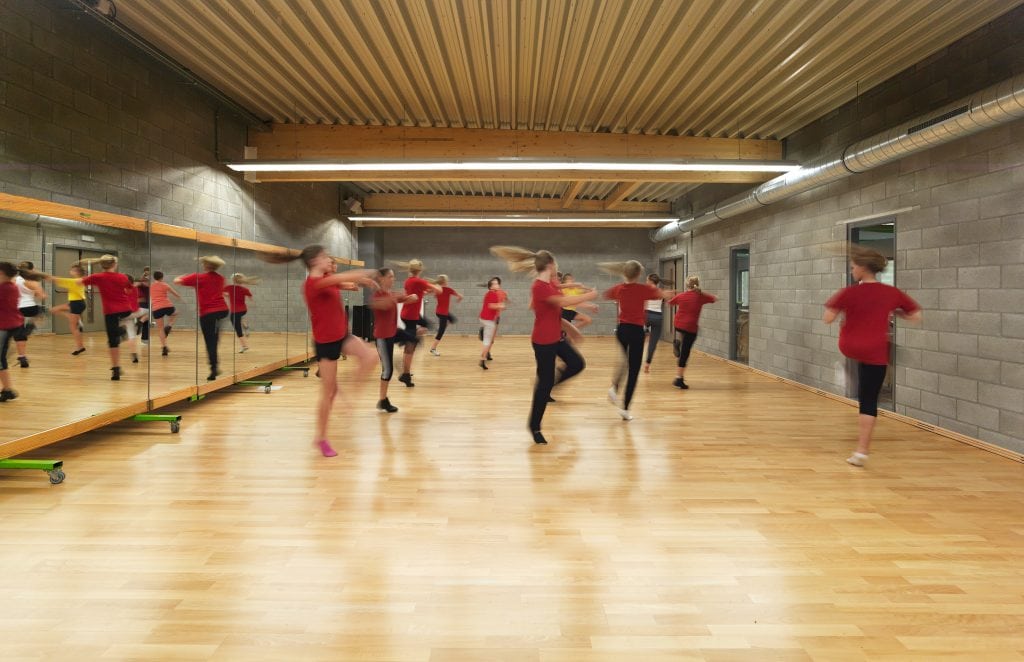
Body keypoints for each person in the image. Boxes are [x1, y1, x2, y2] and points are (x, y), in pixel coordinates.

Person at [266, 245, 379, 457]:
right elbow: (342, 278)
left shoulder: (326, 279)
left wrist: (358, 283)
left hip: (341, 336)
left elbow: (342, 283)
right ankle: (321, 438)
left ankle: (350, 397)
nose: (329, 260)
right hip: (326, 343)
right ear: (315, 261)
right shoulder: (313, 283)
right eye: (325, 257)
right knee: (328, 394)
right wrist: (369, 272)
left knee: (371, 356)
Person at [824, 245, 921, 467]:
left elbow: (827, 318)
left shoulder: (848, 292)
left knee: (853, 360)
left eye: (853, 267)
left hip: (850, 346)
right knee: (868, 401)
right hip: (876, 351)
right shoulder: (891, 292)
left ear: (862, 268)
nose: (852, 271)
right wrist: (891, 311)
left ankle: (845, 370)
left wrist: (846, 314)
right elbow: (916, 316)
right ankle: (862, 452)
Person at [490, 246, 598, 446]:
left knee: (576, 363)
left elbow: (556, 302)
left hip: (556, 337)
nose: (557, 267)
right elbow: (562, 301)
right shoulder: (539, 287)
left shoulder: (550, 284)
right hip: (543, 342)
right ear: (550, 265)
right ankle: (535, 426)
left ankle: (550, 384)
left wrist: (571, 327)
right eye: (555, 264)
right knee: (543, 385)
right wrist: (589, 296)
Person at [602, 261, 671, 420]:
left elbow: (607, 294)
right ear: (639, 274)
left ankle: (614, 388)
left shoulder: (619, 288)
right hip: (636, 331)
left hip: (622, 330)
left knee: (624, 362)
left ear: (625, 273)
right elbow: (661, 294)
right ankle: (625, 409)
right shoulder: (643, 289)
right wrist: (667, 293)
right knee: (633, 370)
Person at [76, 255, 134, 380]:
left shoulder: (98, 277)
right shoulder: (122, 277)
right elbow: (130, 290)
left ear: (102, 265)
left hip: (110, 311)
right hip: (125, 309)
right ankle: (121, 331)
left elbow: (79, 282)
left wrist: (83, 274)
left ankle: (115, 369)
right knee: (114, 337)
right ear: (114, 265)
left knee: (112, 341)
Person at [370, 267, 419, 413]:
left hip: (393, 332)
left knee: (413, 339)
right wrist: (401, 297)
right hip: (383, 337)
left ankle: (403, 372)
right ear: (382, 278)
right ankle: (382, 401)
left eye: (393, 276)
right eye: (390, 276)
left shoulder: (390, 293)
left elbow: (406, 299)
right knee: (387, 371)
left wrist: (411, 297)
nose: (393, 279)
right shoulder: (378, 296)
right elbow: (384, 304)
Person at [175, 256, 229, 381]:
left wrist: (183, 276)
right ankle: (214, 362)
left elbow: (177, 281)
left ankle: (214, 368)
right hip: (222, 311)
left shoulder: (199, 277)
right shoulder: (221, 278)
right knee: (214, 338)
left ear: (206, 265)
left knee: (210, 341)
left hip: (208, 313)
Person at [394, 259, 442, 387]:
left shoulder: (409, 281)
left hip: (408, 314)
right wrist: (437, 286)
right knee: (411, 345)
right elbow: (439, 290)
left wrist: (427, 290)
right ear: (420, 270)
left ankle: (407, 341)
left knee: (426, 326)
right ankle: (405, 374)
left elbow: (419, 291)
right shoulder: (418, 281)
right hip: (411, 316)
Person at [667, 276, 717, 390]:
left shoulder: (681, 296)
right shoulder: (700, 296)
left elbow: (669, 303)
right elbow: (714, 299)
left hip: (678, 325)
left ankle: (678, 342)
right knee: (685, 353)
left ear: (686, 285)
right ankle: (678, 379)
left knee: (683, 336)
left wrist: (671, 297)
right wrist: (703, 293)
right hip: (690, 327)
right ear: (697, 285)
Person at [38, 264, 87, 355]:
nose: (70, 271)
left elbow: (55, 279)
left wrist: (38, 274)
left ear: (77, 272)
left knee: (73, 328)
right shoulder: (80, 280)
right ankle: (75, 319)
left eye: (72, 270)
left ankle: (80, 347)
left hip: (76, 304)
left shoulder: (74, 281)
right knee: (54, 310)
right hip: (75, 303)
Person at [13, 261, 46, 368]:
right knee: (42, 311)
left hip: (16, 309)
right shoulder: (33, 282)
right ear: (31, 270)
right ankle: (30, 326)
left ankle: (22, 356)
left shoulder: (14, 280)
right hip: (30, 307)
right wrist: (34, 292)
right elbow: (42, 296)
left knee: (19, 334)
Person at [0, 262, 24, 401]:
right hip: (11, 324)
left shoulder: (4, 288)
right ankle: (7, 388)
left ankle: (8, 389)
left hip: (4, 326)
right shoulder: (12, 286)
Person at [225, 273, 260, 353]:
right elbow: (250, 298)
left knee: (238, 329)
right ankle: (245, 326)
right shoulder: (244, 289)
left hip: (235, 311)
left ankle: (245, 346)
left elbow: (221, 292)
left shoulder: (229, 288)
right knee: (240, 317)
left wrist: (228, 296)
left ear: (233, 280)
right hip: (243, 310)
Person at [149, 271, 181, 356]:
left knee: (160, 329)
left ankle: (164, 347)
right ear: (162, 277)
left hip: (156, 308)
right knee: (175, 314)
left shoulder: (151, 286)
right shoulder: (165, 285)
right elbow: (175, 293)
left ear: (154, 277)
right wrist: (179, 297)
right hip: (167, 305)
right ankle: (169, 326)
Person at [429, 274, 462, 357]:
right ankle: (433, 348)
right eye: (447, 281)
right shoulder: (448, 289)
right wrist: (459, 299)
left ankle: (441, 328)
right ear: (445, 282)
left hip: (440, 312)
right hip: (443, 313)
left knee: (452, 319)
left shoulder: (438, 289)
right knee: (441, 332)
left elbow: (434, 296)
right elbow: (460, 296)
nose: (448, 282)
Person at [478, 276, 506, 370]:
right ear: (491, 286)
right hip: (488, 320)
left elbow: (491, 305)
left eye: (497, 283)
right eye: (495, 283)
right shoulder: (492, 294)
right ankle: (482, 359)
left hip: (485, 319)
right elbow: (491, 306)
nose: (498, 285)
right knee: (488, 341)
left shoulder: (490, 293)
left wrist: (500, 305)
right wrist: (500, 306)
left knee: (488, 340)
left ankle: (483, 358)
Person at [643, 274, 665, 373]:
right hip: (658, 316)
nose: (646, 282)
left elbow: (643, 304)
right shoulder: (661, 291)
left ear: (650, 281)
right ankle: (647, 364)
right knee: (653, 342)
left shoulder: (645, 290)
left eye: (647, 280)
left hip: (647, 315)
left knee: (638, 338)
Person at [134, 267, 151, 344]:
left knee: (146, 320)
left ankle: (145, 339)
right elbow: (143, 283)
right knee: (147, 317)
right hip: (143, 303)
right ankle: (140, 322)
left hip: (143, 302)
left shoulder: (144, 280)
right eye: (147, 271)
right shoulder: (143, 280)